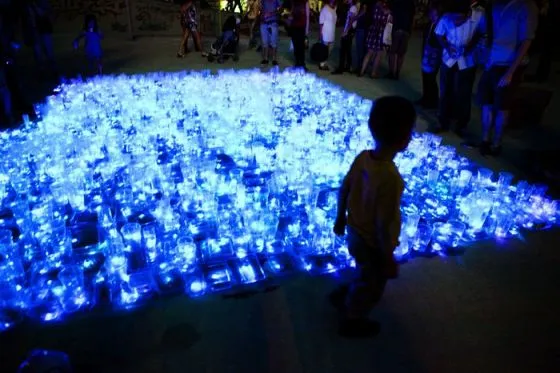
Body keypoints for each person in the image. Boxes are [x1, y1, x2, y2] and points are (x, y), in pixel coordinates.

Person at [331, 95, 416, 338]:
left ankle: (349, 293)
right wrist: (387, 257)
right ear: (405, 139)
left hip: (354, 232)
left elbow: (344, 188)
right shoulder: (391, 178)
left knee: (363, 269)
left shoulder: (362, 158)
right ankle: (353, 318)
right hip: (373, 244)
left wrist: (340, 218)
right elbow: (383, 223)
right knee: (373, 284)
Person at [477, 0, 538, 156]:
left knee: (502, 107)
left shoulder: (526, 6)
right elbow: (484, 31)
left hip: (507, 64)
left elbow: (527, 40)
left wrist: (511, 71)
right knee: (486, 103)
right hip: (490, 62)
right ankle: (485, 140)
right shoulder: (494, 5)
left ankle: (497, 143)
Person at [430, 0, 484, 137]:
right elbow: (438, 33)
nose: (457, 22)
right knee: (445, 91)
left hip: (467, 60)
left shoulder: (479, 14)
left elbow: (481, 33)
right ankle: (443, 121)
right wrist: (447, 46)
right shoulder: (447, 16)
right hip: (448, 59)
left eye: (461, 19)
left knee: (463, 93)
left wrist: (470, 47)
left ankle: (461, 124)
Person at [415, 2, 442, 109]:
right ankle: (426, 98)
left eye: (432, 12)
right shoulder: (430, 24)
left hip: (434, 55)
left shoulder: (439, 25)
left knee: (431, 78)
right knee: (425, 77)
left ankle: (432, 100)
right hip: (427, 53)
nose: (430, 14)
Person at [358, 0, 391, 78]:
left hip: (373, 29)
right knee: (378, 54)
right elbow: (389, 21)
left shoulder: (375, 6)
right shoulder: (387, 9)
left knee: (369, 52)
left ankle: (362, 71)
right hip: (381, 31)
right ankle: (373, 73)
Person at [386, 0, 415, 80]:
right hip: (406, 30)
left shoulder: (395, 2)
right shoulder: (410, 3)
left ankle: (391, 72)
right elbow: (413, 18)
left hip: (396, 29)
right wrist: (410, 31)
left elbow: (389, 13)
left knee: (392, 52)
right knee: (401, 54)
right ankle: (397, 73)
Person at [332, 0, 360, 74]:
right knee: (347, 49)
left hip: (349, 30)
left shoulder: (352, 8)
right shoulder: (352, 7)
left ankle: (341, 68)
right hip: (350, 30)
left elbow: (351, 20)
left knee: (343, 50)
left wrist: (346, 31)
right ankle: (347, 66)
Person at [289, 0, 310, 70]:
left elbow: (307, 16)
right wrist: (290, 19)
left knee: (301, 46)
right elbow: (291, 13)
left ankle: (302, 63)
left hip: (301, 27)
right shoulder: (293, 2)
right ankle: (297, 63)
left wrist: (306, 30)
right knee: (296, 46)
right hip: (294, 27)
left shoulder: (306, 2)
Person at [259, 0, 282, 66]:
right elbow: (260, 8)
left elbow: (281, 9)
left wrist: (272, 13)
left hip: (273, 22)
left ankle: (274, 59)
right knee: (264, 41)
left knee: (273, 41)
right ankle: (265, 58)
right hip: (263, 22)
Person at [318, 0, 338, 70]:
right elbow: (321, 22)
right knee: (324, 49)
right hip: (325, 31)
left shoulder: (334, 8)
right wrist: (320, 33)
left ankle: (324, 61)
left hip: (332, 31)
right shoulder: (325, 9)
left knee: (330, 48)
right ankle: (322, 64)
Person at [353, 0, 372, 72]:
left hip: (363, 31)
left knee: (361, 50)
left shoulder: (366, 12)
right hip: (360, 30)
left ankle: (360, 67)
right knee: (360, 49)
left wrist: (361, 14)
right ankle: (361, 67)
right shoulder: (363, 10)